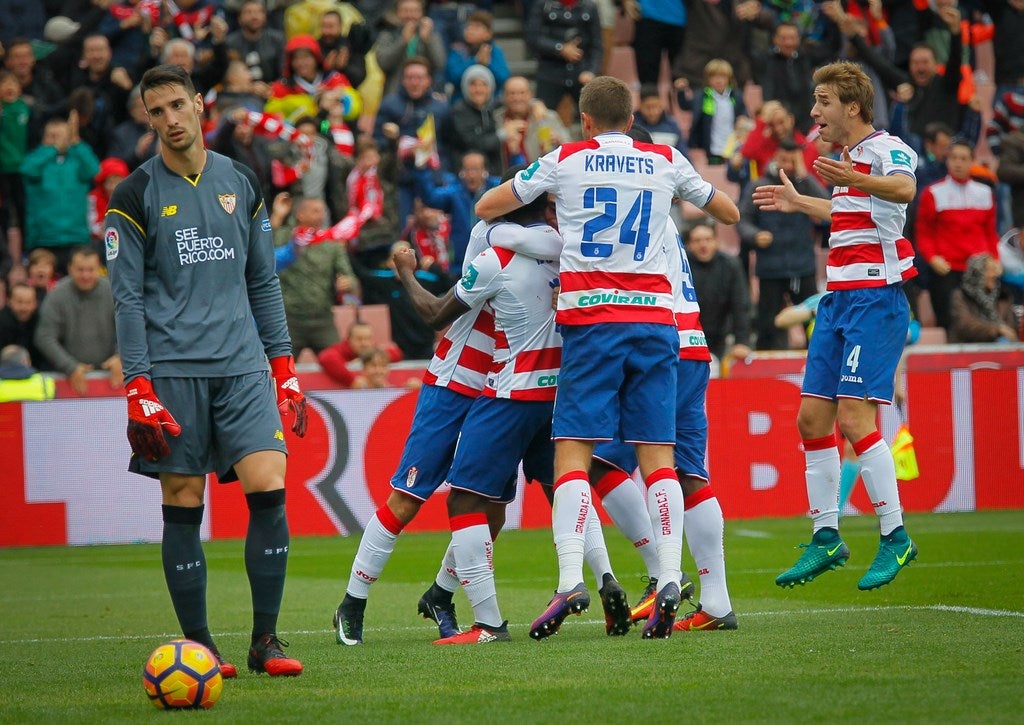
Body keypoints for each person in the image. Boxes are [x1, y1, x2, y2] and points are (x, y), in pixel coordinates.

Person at [476, 75, 739, 639]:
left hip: (594, 321)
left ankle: (572, 576)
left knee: (573, 450)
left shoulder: (566, 157)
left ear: (587, 120)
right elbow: (728, 212)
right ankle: (670, 578)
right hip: (657, 324)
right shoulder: (665, 157)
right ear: (630, 116)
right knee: (659, 455)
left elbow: (488, 205)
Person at [105, 64, 307, 678]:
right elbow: (128, 298)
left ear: (199, 104)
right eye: (155, 111)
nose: (169, 120)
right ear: (148, 117)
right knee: (184, 501)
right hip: (173, 370)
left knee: (269, 487)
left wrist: (285, 367)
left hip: (243, 365)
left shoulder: (241, 180)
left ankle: (265, 641)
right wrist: (137, 385)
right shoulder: (133, 196)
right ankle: (201, 647)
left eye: (176, 106)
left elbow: (262, 280)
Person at [332, 204, 565, 646]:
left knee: (489, 509)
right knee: (407, 498)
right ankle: (353, 601)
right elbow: (438, 310)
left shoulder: (547, 252)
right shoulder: (491, 240)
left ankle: (442, 593)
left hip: (498, 389)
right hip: (453, 382)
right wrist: (404, 270)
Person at [753, 60, 919, 592]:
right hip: (839, 301)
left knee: (853, 418)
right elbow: (855, 207)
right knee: (810, 420)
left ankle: (895, 537)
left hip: (876, 299)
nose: (813, 111)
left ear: (853, 107)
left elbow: (903, 189)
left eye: (822, 101)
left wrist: (854, 177)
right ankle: (827, 537)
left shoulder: (885, 148)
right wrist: (805, 203)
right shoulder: (847, 161)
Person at [738, 137, 829, 350]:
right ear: (775, 157)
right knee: (768, 326)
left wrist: (804, 175)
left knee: (815, 324)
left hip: (802, 266)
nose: (787, 165)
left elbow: (827, 206)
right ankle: (767, 372)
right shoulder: (759, 185)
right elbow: (743, 219)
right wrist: (755, 235)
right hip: (770, 267)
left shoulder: (805, 184)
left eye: (792, 160)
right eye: (783, 159)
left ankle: (817, 362)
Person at [915, 140, 999, 331]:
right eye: (953, 158)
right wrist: (932, 258)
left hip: (979, 269)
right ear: (947, 161)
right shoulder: (932, 193)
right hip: (947, 270)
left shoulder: (985, 193)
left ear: (972, 161)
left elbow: (990, 232)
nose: (958, 163)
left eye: (963, 159)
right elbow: (923, 232)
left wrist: (995, 258)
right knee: (949, 324)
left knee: (983, 324)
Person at [270, 194, 360, 356]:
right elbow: (264, 247)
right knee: (280, 365)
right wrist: (277, 216)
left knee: (337, 361)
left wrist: (348, 283)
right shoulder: (285, 236)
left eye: (323, 211)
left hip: (322, 318)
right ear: (301, 215)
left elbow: (350, 277)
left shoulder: (332, 243)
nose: (322, 215)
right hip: (289, 318)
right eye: (316, 211)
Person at [19, 113, 100, 275]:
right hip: (43, 239)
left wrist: (76, 141)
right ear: (43, 138)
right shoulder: (35, 160)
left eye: (61, 136)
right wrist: (53, 150)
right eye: (51, 136)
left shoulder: (77, 160)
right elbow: (27, 170)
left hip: (76, 237)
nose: (57, 140)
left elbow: (94, 170)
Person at [34, 246, 121, 395]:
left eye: (91, 269)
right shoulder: (57, 295)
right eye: (80, 269)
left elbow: (132, 328)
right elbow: (44, 336)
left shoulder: (114, 291)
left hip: (113, 378)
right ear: (70, 268)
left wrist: (121, 357)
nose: (86, 275)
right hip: (68, 381)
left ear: (99, 269)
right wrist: (69, 366)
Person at [684, 221, 753, 364]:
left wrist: (742, 341)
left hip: (718, 337)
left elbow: (740, 305)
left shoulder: (731, 265)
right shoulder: (680, 265)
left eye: (708, 240)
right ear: (689, 245)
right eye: (697, 241)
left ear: (716, 241)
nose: (703, 245)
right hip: (686, 336)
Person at [948, 253, 1020, 343]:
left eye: (995, 269)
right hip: (967, 346)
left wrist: (1004, 332)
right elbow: (965, 324)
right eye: (990, 270)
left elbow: (1011, 325)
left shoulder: (1003, 296)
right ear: (977, 273)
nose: (995, 274)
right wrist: (997, 330)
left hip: (1000, 345)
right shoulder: (961, 295)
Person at [317, 320, 403, 388]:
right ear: (349, 339)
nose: (364, 343)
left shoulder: (374, 350)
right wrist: (352, 380)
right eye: (359, 339)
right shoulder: (342, 349)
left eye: (368, 338)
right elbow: (326, 358)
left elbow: (396, 353)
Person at [0, 282, 44, 368]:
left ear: (35, 303)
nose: (24, 307)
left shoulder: (42, 322)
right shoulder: (2, 321)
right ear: (9, 301)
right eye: (19, 302)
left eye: (28, 302)